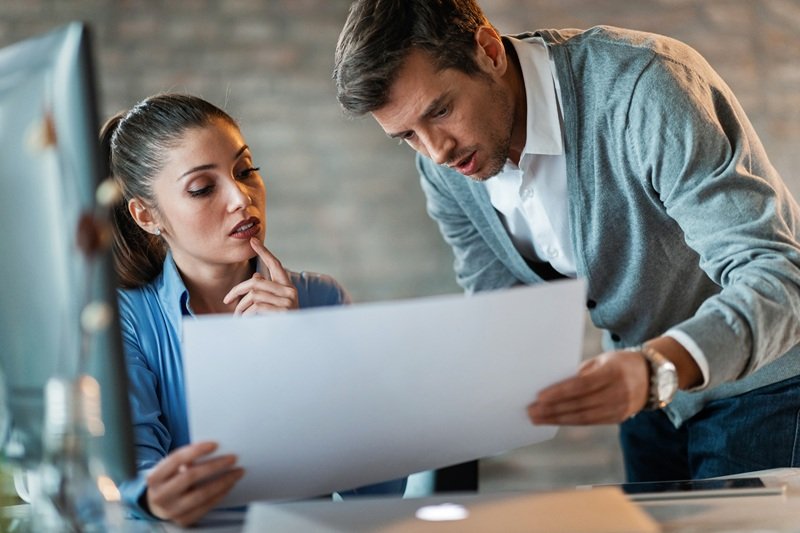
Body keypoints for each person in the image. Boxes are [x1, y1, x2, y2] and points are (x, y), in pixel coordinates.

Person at [333, 0, 800, 483]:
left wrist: (654, 369)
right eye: (406, 135)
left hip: (761, 384)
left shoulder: (645, 87)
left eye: (441, 110)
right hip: (648, 399)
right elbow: (505, 314)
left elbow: (779, 277)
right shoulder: (447, 170)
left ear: (489, 51)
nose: (436, 150)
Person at [100, 93, 406, 526]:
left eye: (245, 171)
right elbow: (134, 484)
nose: (241, 197)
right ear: (147, 216)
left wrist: (300, 351)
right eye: (203, 188)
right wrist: (154, 498)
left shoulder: (321, 299)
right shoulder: (128, 319)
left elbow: (380, 490)